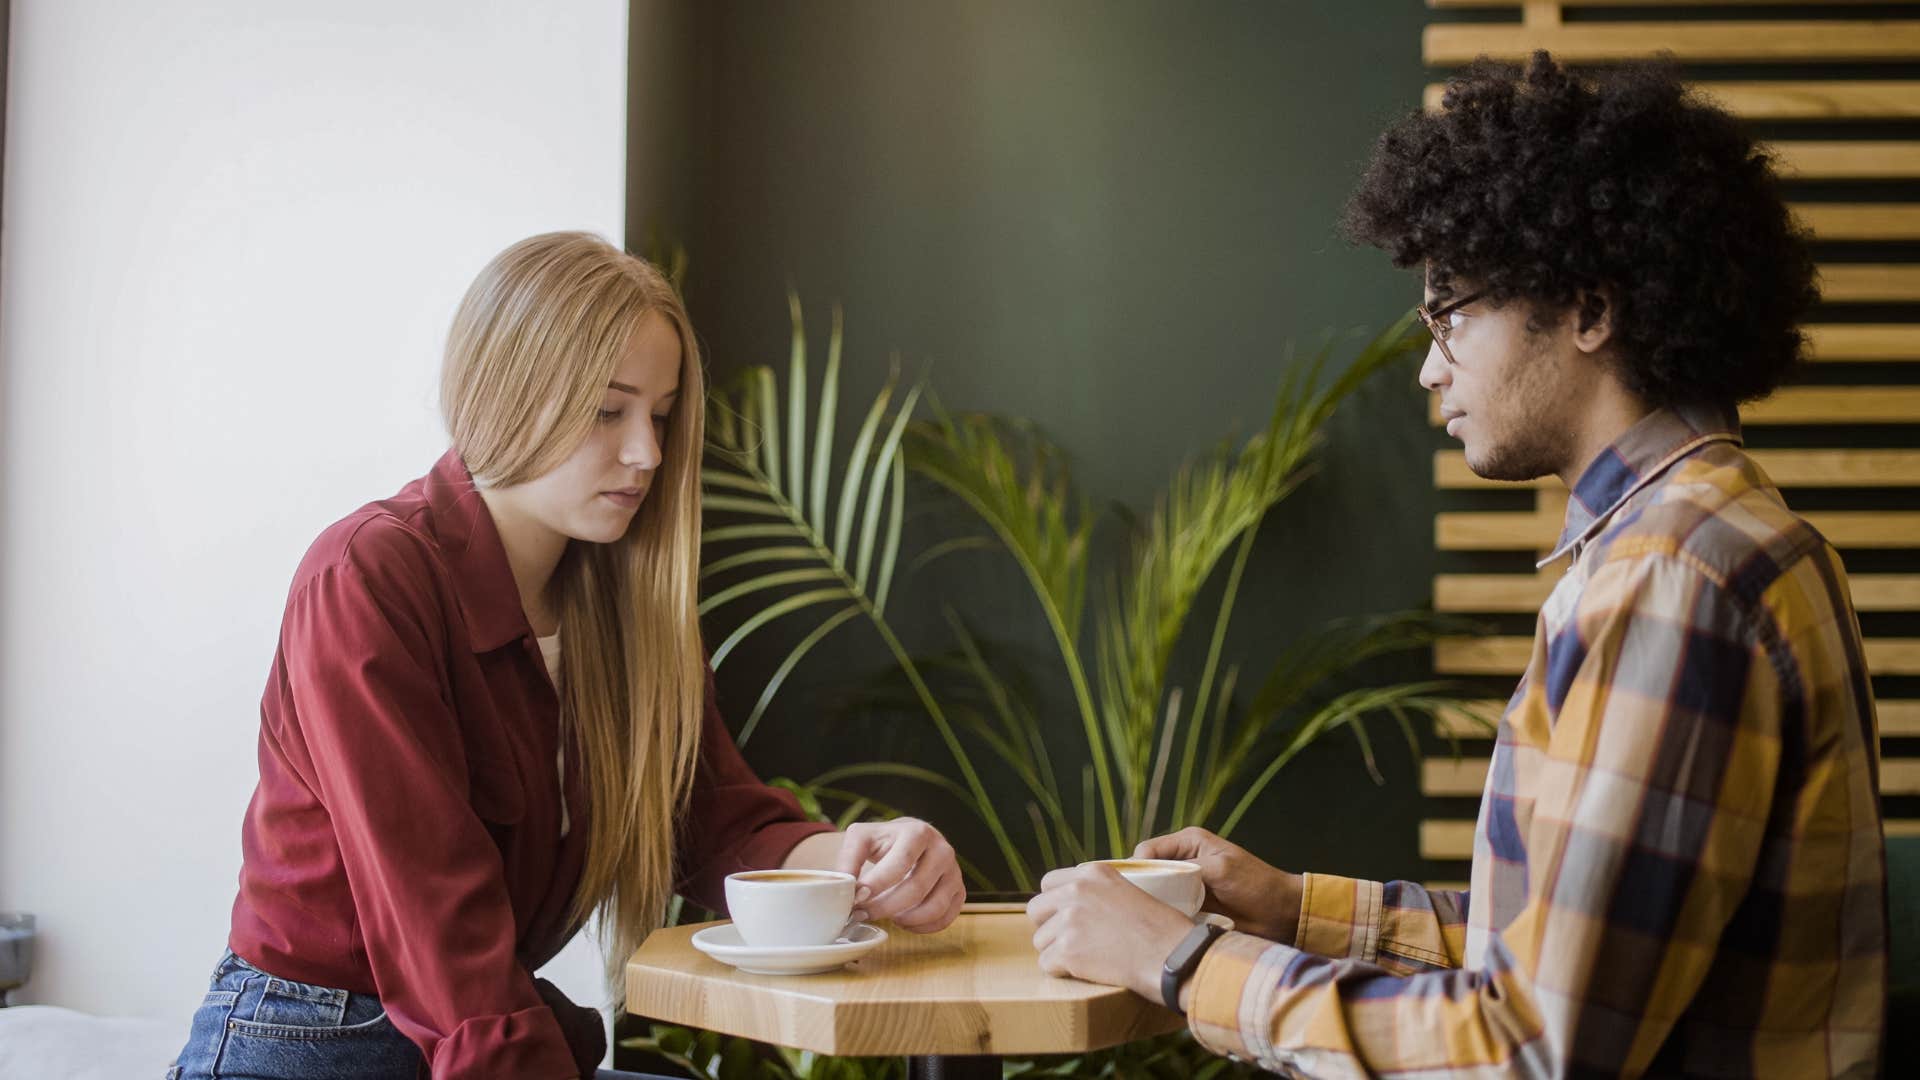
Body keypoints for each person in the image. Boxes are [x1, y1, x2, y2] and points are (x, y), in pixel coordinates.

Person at [1028, 53, 1885, 1077]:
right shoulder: (1718, 537)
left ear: (1587, 309)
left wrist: (1180, 962)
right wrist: (1290, 907)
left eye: (1450, 311)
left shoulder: (1671, 582)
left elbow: (1531, 1049)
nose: (1430, 366)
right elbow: (1568, 953)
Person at [170, 232, 966, 1080]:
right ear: (502, 394)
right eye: (606, 410)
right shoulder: (368, 574)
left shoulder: (628, 608)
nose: (647, 454)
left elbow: (715, 819)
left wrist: (860, 864)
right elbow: (439, 920)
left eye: (659, 416)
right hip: (314, 1040)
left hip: (481, 1027)